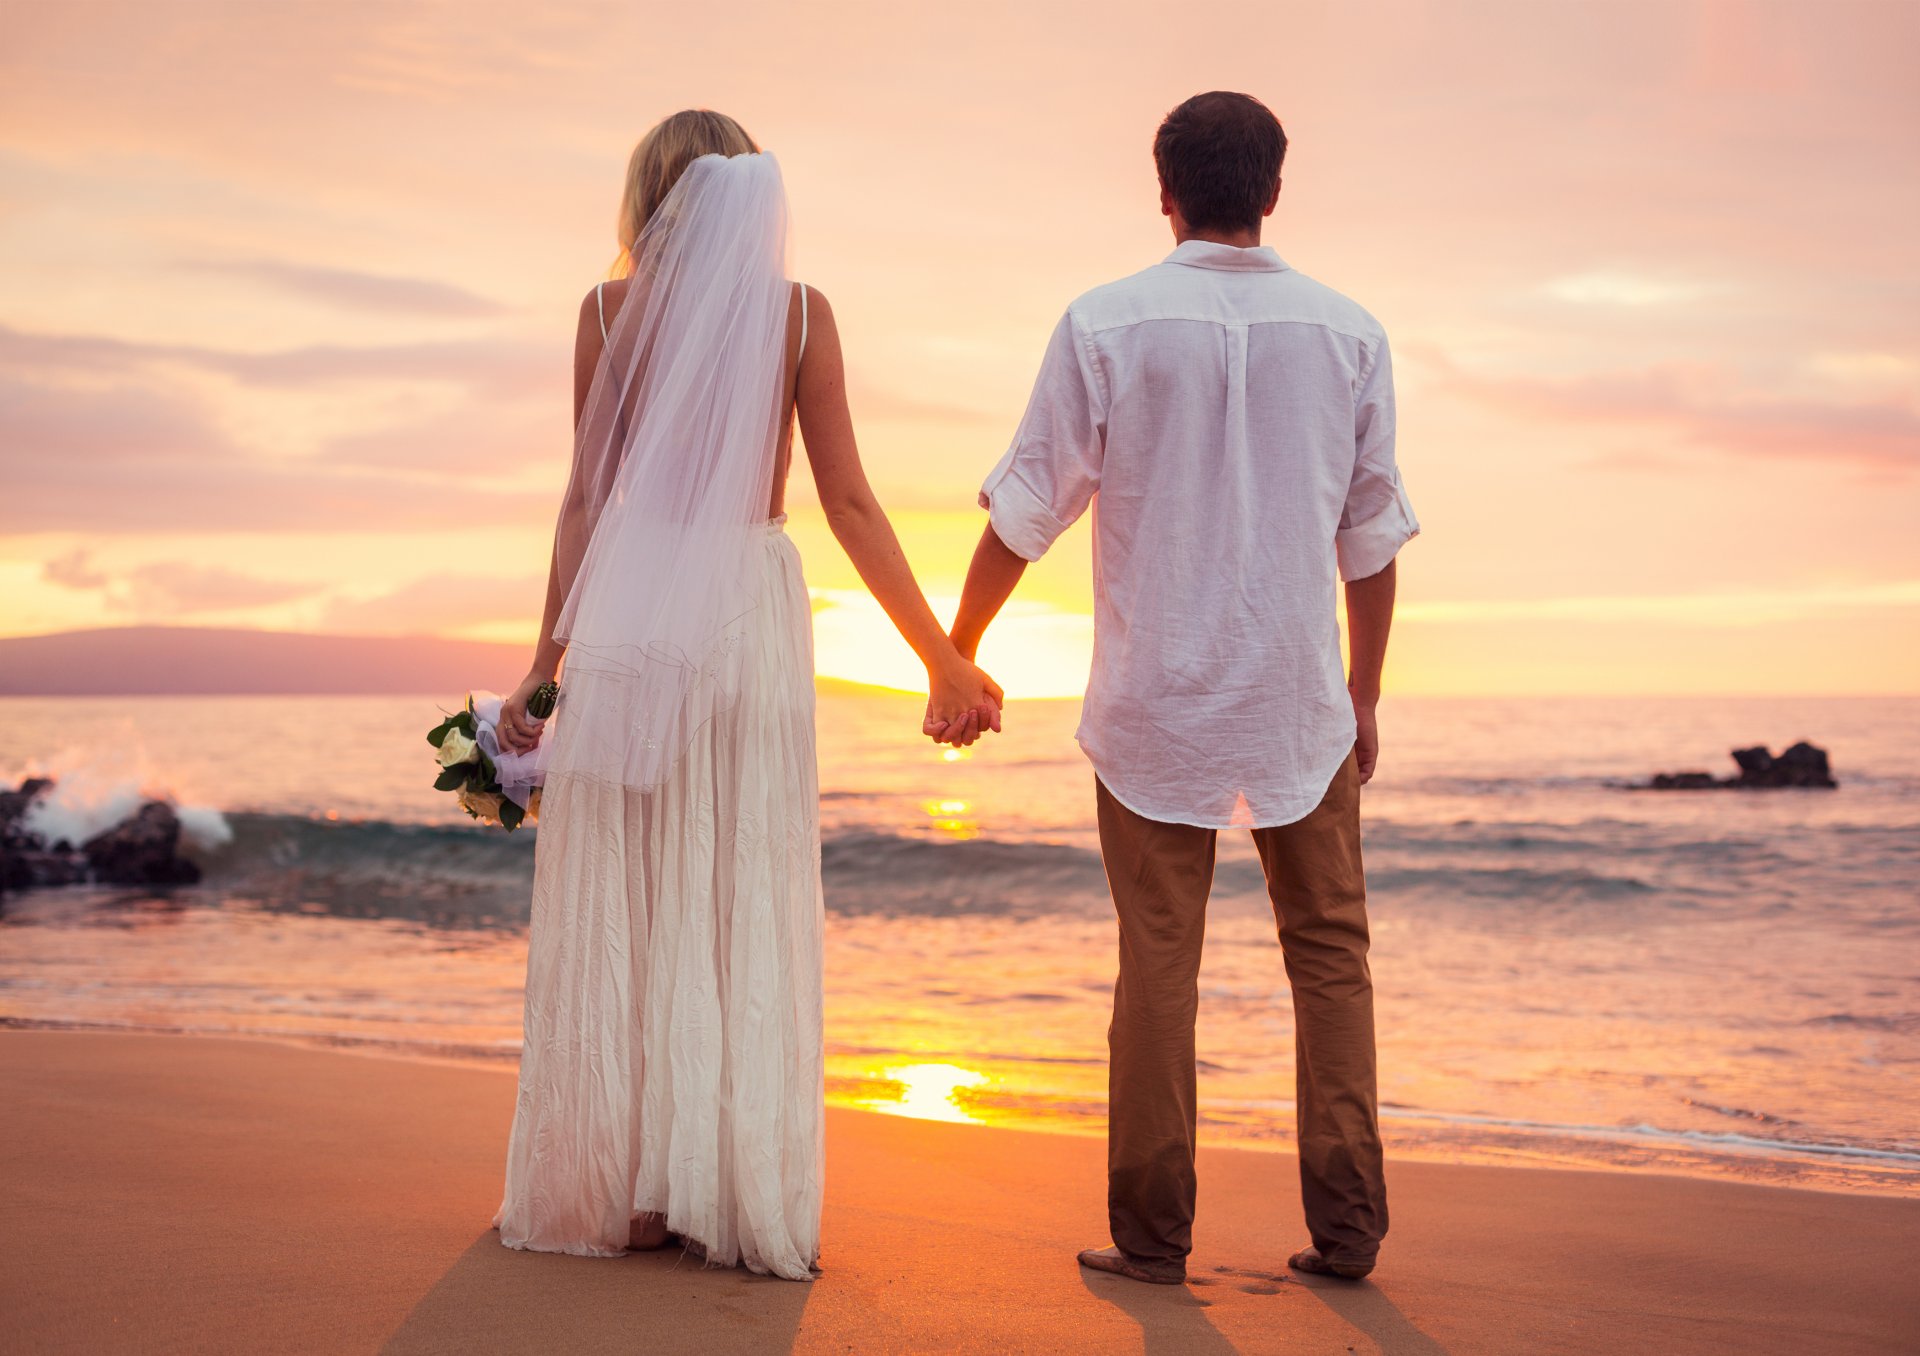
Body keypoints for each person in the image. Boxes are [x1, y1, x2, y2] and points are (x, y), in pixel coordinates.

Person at [490, 109, 1001, 1281]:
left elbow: (583, 502)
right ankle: (724, 1186)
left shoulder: (608, 312)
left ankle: (632, 1197)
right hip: (748, 612)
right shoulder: (799, 314)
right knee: (734, 885)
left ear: (649, 197)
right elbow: (853, 503)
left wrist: (545, 665)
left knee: (638, 880)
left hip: (632, 605)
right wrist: (941, 656)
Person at [935, 90, 1417, 1285]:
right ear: (1274, 189)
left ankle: (1153, 1237)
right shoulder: (1350, 333)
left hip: (1159, 704)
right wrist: (1365, 692)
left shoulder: (1107, 323)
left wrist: (959, 647)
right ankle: (1349, 1230)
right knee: (1332, 955)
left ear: (1164, 191)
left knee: (1158, 963)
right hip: (1297, 700)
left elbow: (1026, 509)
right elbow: (1373, 538)